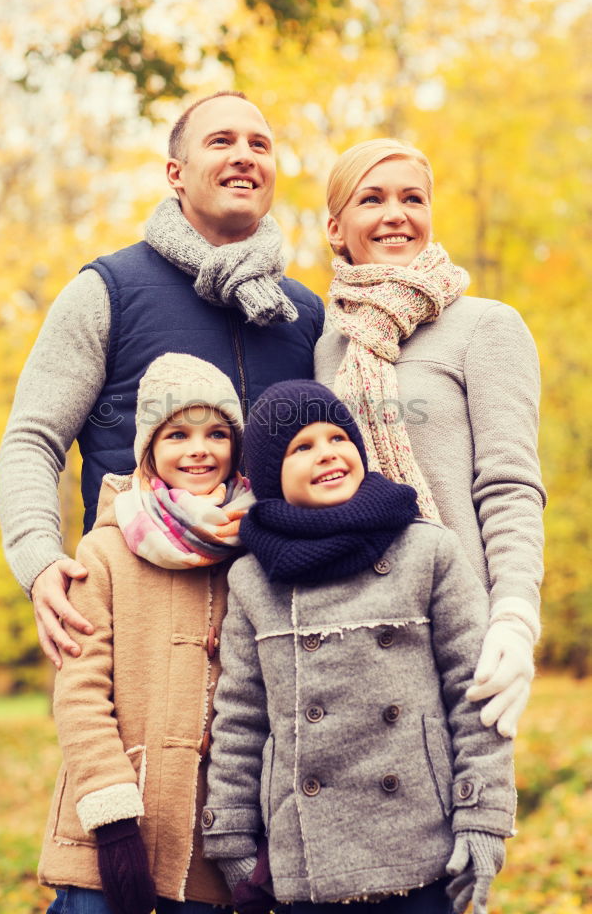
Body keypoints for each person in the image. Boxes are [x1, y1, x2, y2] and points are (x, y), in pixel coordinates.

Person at [0, 91, 324, 668]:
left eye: (259, 144)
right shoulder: (107, 292)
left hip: (280, 618)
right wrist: (39, 560)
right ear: (175, 173)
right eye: (220, 141)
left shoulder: (304, 312)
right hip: (140, 612)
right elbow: (32, 439)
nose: (245, 155)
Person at [201, 380, 516, 914]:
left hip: (425, 847)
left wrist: (483, 819)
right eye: (301, 447)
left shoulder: (428, 550)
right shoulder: (254, 579)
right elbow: (240, 718)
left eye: (337, 438)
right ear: (271, 473)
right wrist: (229, 834)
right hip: (306, 860)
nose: (326, 453)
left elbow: (474, 692)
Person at [314, 138, 545, 739]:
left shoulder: (487, 327)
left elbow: (509, 484)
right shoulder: (326, 347)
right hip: (344, 629)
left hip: (455, 629)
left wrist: (515, 618)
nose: (396, 213)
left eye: (412, 198)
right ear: (336, 228)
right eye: (373, 198)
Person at [39, 352, 255, 914]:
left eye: (215, 433)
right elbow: (80, 690)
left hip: (210, 849)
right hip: (104, 833)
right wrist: (112, 822)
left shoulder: (253, 554)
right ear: (150, 451)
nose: (198, 449)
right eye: (177, 433)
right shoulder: (104, 550)